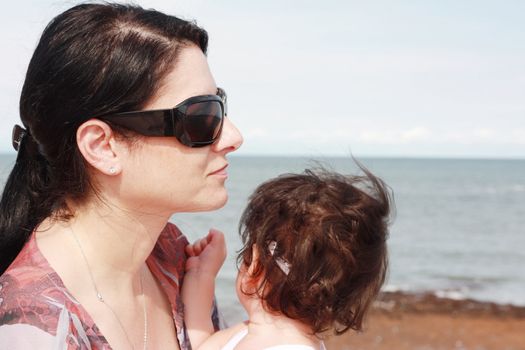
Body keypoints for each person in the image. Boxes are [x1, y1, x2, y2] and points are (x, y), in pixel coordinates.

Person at [0, 3, 243, 349]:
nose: (233, 137)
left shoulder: (172, 256)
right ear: (102, 146)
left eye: (219, 105)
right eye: (201, 116)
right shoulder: (34, 331)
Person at [181, 167, 392, 349]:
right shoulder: (250, 333)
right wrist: (202, 273)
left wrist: (202, 273)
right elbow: (202, 343)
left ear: (254, 266)